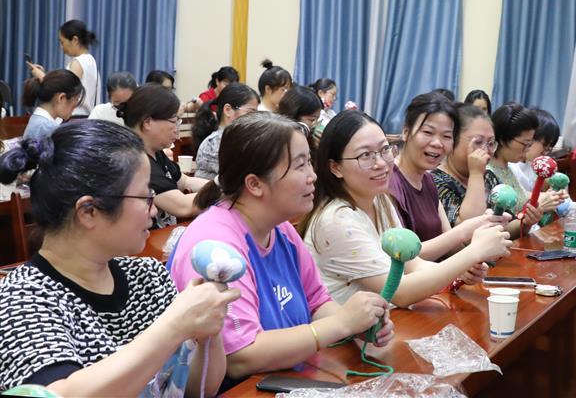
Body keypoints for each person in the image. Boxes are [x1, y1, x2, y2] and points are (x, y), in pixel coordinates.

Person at [0, 120, 238, 396]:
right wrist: (175, 325)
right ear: (89, 211)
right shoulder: (22, 298)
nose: (153, 210)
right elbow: (57, 393)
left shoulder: (148, 275)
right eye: (145, 196)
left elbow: (196, 390)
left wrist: (208, 334)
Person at [168, 113, 394, 385]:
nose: (313, 176)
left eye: (309, 162)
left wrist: (359, 323)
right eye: (300, 166)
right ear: (255, 184)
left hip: (289, 379)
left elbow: (317, 302)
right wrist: (341, 324)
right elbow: (240, 357)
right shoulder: (216, 248)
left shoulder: (280, 228)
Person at [299, 110, 512, 306]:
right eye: (365, 155)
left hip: (384, 323)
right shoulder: (336, 221)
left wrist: (457, 270)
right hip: (353, 333)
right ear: (335, 167)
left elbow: (411, 263)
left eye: (384, 150)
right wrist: (472, 254)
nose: (381, 163)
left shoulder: (379, 199)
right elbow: (399, 292)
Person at [390, 93, 508, 258]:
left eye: (446, 136)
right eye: (428, 132)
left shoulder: (427, 180)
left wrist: (484, 228)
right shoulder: (388, 183)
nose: (437, 143)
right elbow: (400, 256)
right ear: (406, 132)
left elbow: (451, 247)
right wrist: (466, 235)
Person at [121, 84, 208, 228]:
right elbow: (183, 206)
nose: (176, 129)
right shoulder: (136, 161)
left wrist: (220, 186)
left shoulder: (155, 152)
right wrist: (226, 190)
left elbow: (185, 181)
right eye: (174, 121)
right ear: (147, 122)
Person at [433, 104, 500, 225]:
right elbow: (470, 228)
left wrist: (524, 222)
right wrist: (476, 173)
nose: (486, 150)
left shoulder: (489, 177)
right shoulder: (436, 182)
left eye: (491, 143)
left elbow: (506, 223)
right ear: (452, 140)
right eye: (478, 142)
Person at [486, 102, 542, 237]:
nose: (527, 150)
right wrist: (526, 222)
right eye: (525, 144)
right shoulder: (487, 174)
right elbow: (493, 230)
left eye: (530, 144)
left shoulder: (509, 167)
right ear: (503, 139)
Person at [27, 20, 100, 116]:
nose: (61, 47)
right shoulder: (91, 61)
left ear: (75, 40)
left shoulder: (78, 62)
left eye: (62, 42)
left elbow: (64, 91)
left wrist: (41, 76)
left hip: (74, 116)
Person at [192, 83, 259, 180]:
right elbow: (238, 177)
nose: (255, 118)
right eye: (251, 112)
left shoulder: (241, 138)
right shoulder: (213, 143)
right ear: (228, 110)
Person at [21, 70, 84, 141]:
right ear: (61, 98)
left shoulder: (40, 121)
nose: (76, 105)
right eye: (76, 99)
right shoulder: (47, 128)